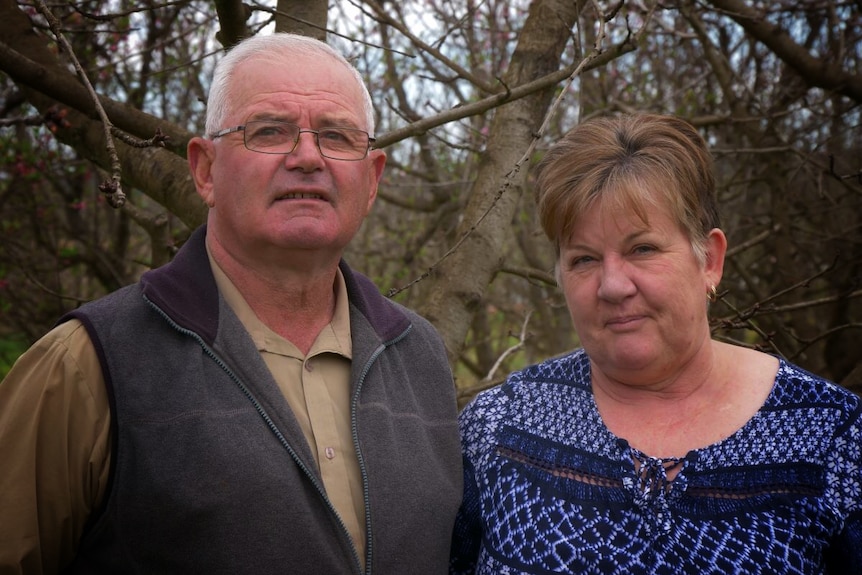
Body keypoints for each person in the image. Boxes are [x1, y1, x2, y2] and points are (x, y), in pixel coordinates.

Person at [0, 33, 462, 575]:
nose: (308, 157)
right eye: (270, 131)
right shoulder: (87, 365)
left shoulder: (420, 356)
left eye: (337, 136)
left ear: (372, 179)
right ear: (204, 170)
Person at [449, 113, 862, 574]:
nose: (612, 285)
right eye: (583, 259)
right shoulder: (499, 430)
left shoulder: (830, 439)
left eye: (642, 249)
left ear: (710, 260)